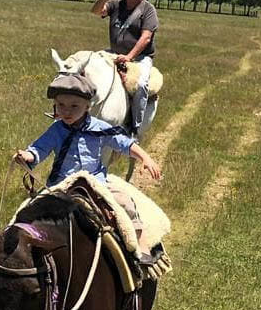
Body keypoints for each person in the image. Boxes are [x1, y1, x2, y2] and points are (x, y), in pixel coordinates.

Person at [13, 71, 161, 242]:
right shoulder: (56, 130)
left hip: (95, 182)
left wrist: (145, 157)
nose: (66, 111)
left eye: (74, 106)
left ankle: (138, 245)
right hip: (62, 183)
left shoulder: (99, 128)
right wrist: (28, 156)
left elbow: (124, 143)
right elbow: (39, 148)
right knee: (30, 210)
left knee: (125, 203)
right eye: (61, 105)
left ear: (87, 106)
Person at [91, 0, 159, 139]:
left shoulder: (148, 10)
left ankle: (134, 129)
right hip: (114, 52)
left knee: (141, 84)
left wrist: (129, 57)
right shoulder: (116, 4)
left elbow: (146, 38)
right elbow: (95, 11)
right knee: (89, 66)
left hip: (140, 57)